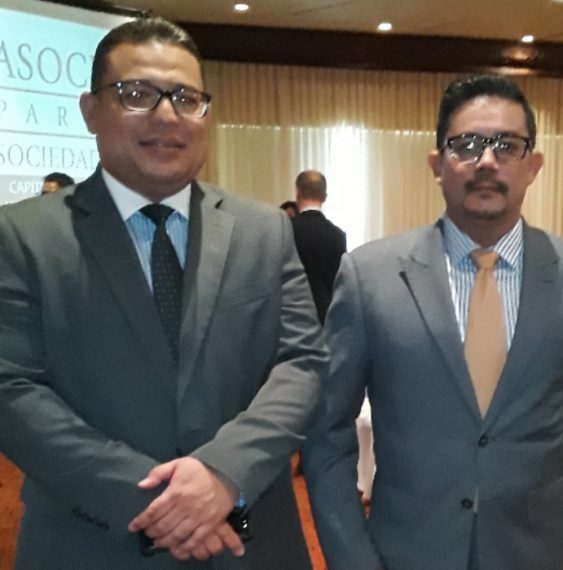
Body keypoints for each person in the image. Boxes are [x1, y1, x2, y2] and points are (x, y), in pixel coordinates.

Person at [0, 17, 326, 568]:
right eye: (137, 94)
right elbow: (11, 389)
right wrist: (164, 504)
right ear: (90, 110)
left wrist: (224, 472)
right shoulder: (20, 235)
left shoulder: (264, 231)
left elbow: (304, 364)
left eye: (185, 98)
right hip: (90, 543)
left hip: (251, 542)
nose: (167, 115)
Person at [303, 74, 563, 570]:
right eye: (467, 145)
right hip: (405, 555)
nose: (487, 161)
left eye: (507, 145)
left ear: (533, 165)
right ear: (437, 165)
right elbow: (326, 435)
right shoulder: (371, 277)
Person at [291, 170, 347, 323]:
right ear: (324, 197)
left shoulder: (286, 231)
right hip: (326, 317)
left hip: (293, 317)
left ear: (297, 193)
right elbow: (339, 283)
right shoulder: (337, 235)